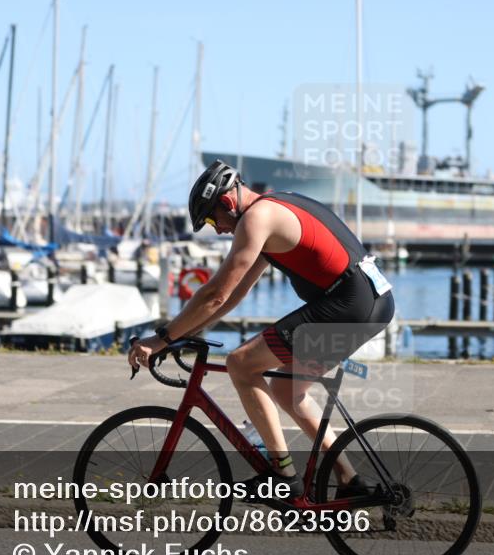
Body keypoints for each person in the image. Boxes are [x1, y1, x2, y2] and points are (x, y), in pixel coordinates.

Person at [128, 160, 395, 500]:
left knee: (240, 363)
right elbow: (233, 294)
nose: (219, 230)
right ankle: (349, 479)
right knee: (287, 393)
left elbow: (215, 293)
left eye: (212, 220)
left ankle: (283, 476)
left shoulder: (257, 218)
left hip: (351, 304)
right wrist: (182, 334)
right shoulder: (273, 209)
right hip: (370, 302)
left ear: (226, 203)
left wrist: (162, 338)